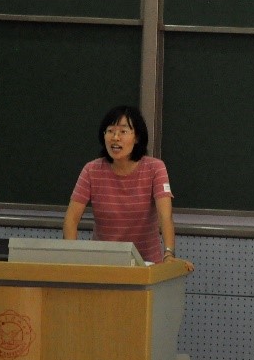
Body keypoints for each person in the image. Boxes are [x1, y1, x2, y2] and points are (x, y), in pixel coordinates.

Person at [62, 105, 193, 271]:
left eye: (123, 131)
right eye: (110, 131)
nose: (115, 138)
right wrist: (72, 257)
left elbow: (165, 216)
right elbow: (71, 220)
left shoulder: (155, 168)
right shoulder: (91, 170)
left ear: (136, 137)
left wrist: (168, 254)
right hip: (103, 264)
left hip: (146, 265)